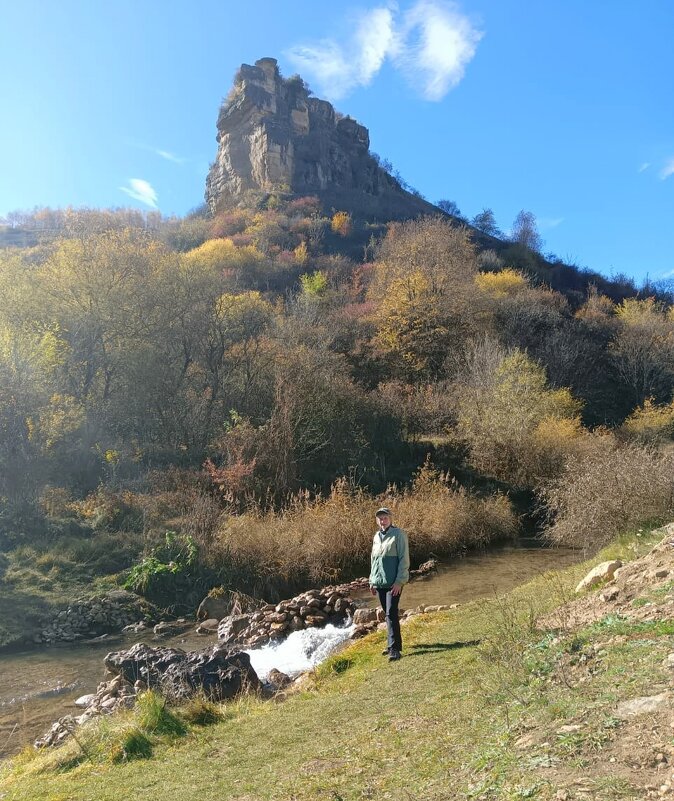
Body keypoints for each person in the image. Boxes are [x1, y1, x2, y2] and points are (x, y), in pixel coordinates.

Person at [369, 507, 410, 661]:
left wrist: (400, 582)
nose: (382, 521)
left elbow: (404, 560)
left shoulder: (399, 535)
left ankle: (394, 650)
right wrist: (372, 581)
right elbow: (374, 560)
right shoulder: (376, 536)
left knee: (391, 613)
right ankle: (393, 645)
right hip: (379, 583)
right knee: (388, 615)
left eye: (385, 518)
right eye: (380, 518)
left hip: (394, 583)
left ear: (390, 518)